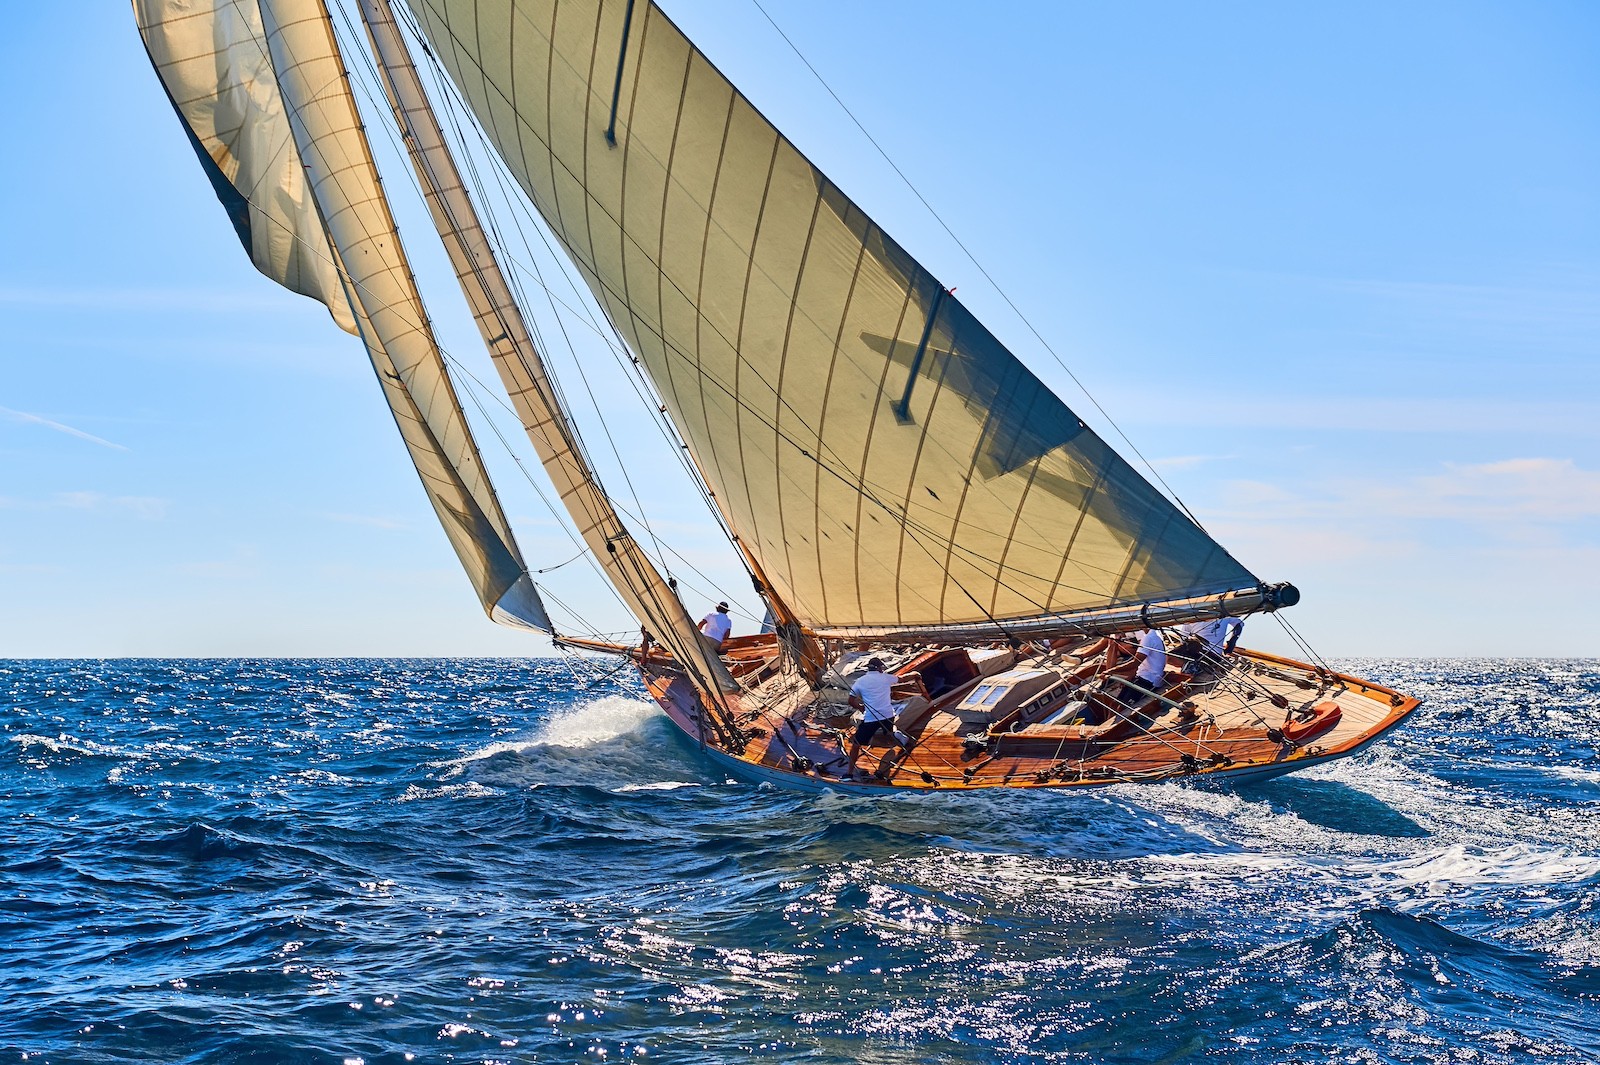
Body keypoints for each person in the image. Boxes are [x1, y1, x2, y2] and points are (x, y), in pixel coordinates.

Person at [846, 657, 912, 778]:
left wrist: (861, 708)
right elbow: (902, 678)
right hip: (888, 715)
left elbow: (851, 700)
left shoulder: (860, 681)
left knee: (856, 744)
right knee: (888, 733)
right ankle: (896, 735)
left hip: (871, 718)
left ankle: (849, 774)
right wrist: (915, 674)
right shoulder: (886, 677)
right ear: (880, 668)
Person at [1104, 627, 1167, 708]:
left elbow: (1135, 663)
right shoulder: (1153, 633)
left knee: (1121, 707)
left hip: (1149, 680)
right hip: (1142, 676)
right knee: (1114, 704)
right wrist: (1131, 676)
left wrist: (1110, 671)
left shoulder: (1148, 638)